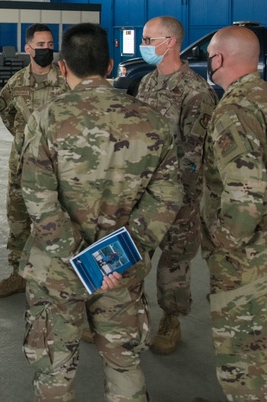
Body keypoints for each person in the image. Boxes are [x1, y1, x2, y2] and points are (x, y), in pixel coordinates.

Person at [18, 23, 182, 402]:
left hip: (57, 271)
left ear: (62, 67)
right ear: (109, 65)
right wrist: (116, 258)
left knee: (54, 367)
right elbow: (168, 196)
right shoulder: (152, 122)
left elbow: (38, 197)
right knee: (124, 363)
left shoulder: (46, 120)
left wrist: (79, 258)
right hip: (120, 272)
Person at [195, 26, 267, 402]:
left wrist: (222, 243)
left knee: (244, 354)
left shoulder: (235, 109)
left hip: (246, 251)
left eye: (210, 54)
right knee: (261, 340)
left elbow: (244, 193)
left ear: (219, 59)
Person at [135, 16, 217, 355]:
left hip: (177, 197)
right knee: (133, 258)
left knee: (174, 262)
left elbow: (194, 156)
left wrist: (170, 198)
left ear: (170, 42)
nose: (143, 44)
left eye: (148, 39)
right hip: (142, 192)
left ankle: (171, 320)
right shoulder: (146, 84)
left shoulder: (196, 92)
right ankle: (127, 318)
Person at [0, 23, 70, 298]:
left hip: (58, 165)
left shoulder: (66, 81)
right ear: (28, 49)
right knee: (18, 217)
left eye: (50, 45)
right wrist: (22, 135)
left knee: (57, 219)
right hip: (22, 163)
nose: (46, 50)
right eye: (41, 45)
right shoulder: (16, 83)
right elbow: (3, 108)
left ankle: (57, 276)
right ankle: (18, 274)